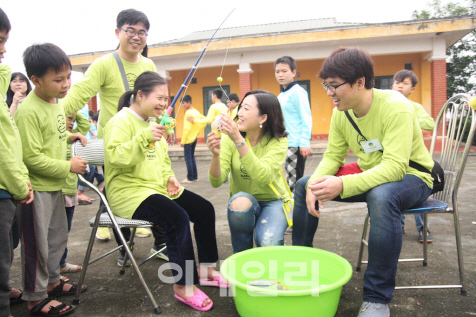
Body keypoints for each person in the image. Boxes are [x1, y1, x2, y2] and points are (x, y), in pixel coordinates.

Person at [292, 47, 434, 317]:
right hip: (372, 173)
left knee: (382, 196)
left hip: (412, 177)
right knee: (303, 184)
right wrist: (317, 184)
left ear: (360, 82)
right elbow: (334, 154)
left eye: (334, 85)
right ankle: (301, 267)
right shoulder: (341, 111)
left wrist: (342, 185)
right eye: (326, 85)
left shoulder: (396, 107)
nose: (329, 92)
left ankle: (376, 299)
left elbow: (395, 167)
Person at [104, 71, 227, 311]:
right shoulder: (120, 121)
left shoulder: (153, 122)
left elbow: (160, 160)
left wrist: (169, 177)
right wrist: (143, 138)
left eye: (166, 98)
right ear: (140, 95)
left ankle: (207, 270)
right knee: (176, 218)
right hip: (128, 193)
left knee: (204, 209)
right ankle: (184, 285)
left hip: (156, 187)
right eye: (159, 98)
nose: (164, 104)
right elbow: (114, 157)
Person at [61, 9, 162, 253]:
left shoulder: (148, 64)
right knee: (117, 191)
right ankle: (124, 249)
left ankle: (159, 240)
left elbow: (158, 100)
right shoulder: (104, 64)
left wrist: (163, 124)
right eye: (130, 31)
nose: (136, 37)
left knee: (153, 185)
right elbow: (77, 94)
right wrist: (57, 117)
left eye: (142, 32)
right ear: (118, 32)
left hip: (148, 140)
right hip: (116, 144)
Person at [15, 43, 88, 316]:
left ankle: (53, 282)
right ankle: (35, 297)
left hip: (55, 186)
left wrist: (71, 137)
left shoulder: (56, 105)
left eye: (68, 77)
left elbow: (52, 137)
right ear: (35, 80)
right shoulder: (28, 111)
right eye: (58, 79)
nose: (65, 84)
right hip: (36, 191)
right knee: (38, 246)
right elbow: (31, 157)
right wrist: (67, 165)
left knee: (57, 238)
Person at [207, 89, 289, 253]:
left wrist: (238, 139)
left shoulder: (278, 141)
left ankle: (274, 256)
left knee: (267, 241)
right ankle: (242, 259)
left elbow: (263, 176)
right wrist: (215, 156)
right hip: (243, 200)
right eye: (241, 107)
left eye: (246, 108)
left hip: (273, 200)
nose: (240, 113)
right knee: (239, 202)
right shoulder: (229, 140)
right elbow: (216, 181)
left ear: (263, 117)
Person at [0, 9, 34, 317]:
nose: (4, 50)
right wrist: (18, 182)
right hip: (5, 185)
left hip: (10, 182)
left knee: (6, 248)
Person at [392, 69, 435, 243]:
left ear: (413, 89)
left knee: (417, 190)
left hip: (413, 161)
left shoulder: (414, 107)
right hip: (394, 159)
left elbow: (430, 124)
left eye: (405, 83)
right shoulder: (385, 106)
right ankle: (397, 225)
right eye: (397, 82)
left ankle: (423, 228)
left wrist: (407, 116)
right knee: (391, 187)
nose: (400, 86)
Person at [275, 56, 312, 193]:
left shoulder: (297, 92)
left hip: (296, 144)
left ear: (293, 72)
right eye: (277, 71)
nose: (280, 74)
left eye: (284, 71)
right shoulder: (283, 94)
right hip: (286, 142)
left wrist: (304, 142)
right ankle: (294, 209)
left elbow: (306, 117)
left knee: (294, 182)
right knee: (289, 179)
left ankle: (298, 212)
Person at [59, 111, 90, 275]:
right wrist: (67, 134)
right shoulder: (58, 138)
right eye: (68, 118)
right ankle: (55, 268)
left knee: (65, 231)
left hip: (70, 191)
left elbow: (85, 125)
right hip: (59, 191)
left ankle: (60, 263)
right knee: (56, 233)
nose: (71, 122)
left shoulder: (73, 137)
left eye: (73, 119)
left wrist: (75, 111)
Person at [180, 95, 206, 184]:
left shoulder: (188, 113)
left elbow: (186, 128)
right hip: (194, 138)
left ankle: (189, 178)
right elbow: (205, 119)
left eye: (183, 104)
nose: (183, 106)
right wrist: (197, 131)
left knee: (188, 159)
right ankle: (195, 177)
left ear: (188, 102)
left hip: (188, 139)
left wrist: (182, 141)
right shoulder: (196, 112)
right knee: (192, 158)